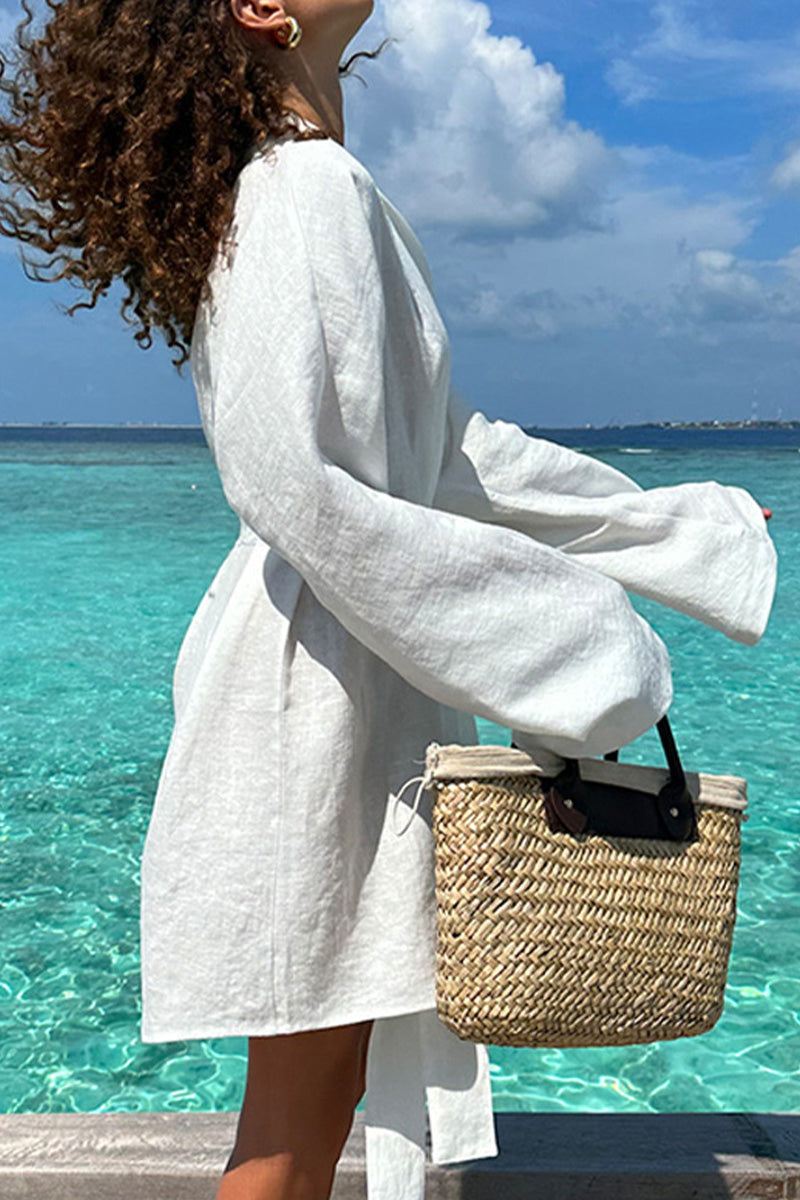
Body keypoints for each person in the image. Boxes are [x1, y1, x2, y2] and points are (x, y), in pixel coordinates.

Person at [0, 2, 778, 1198]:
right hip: (311, 698)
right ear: (261, 11)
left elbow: (446, 458)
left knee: (314, 1094)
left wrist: (681, 532)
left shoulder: (307, 186)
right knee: (295, 1114)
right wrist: (577, 646)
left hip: (336, 683)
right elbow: (293, 484)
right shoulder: (299, 192)